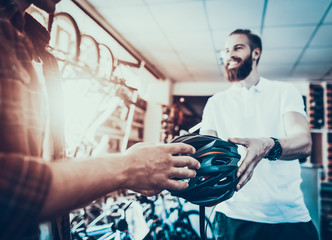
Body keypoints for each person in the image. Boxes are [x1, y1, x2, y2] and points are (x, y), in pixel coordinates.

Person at [0, 0, 200, 239]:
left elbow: (41, 166)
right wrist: (129, 167)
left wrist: (122, 172)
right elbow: (9, 195)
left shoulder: (34, 45)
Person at [200, 29, 318, 240]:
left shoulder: (285, 92)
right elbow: (205, 152)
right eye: (226, 50)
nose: (230, 55)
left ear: (256, 53)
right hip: (233, 217)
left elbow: (303, 142)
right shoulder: (215, 103)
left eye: (238, 48)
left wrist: (268, 145)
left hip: (287, 217)